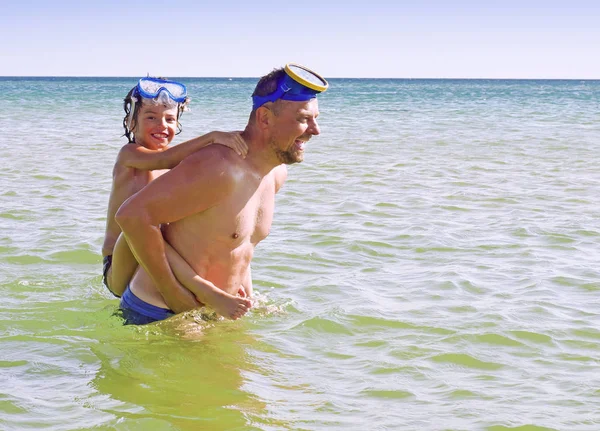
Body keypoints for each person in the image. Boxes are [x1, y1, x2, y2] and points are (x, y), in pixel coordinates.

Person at [114, 64, 329, 325]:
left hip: (216, 311)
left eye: (316, 118)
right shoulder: (219, 166)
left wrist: (249, 297)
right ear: (264, 118)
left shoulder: (275, 173)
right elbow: (131, 216)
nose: (315, 130)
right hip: (161, 311)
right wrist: (175, 296)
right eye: (303, 119)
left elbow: (241, 245)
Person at [102, 77, 252, 321]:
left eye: (170, 119)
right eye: (150, 117)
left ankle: (223, 288)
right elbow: (165, 159)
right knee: (138, 225)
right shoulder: (129, 155)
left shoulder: (174, 163)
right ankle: (206, 291)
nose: (162, 125)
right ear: (131, 122)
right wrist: (212, 138)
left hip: (149, 258)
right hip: (119, 264)